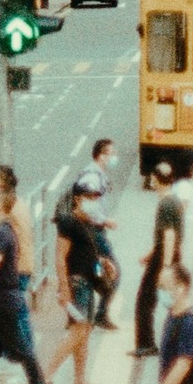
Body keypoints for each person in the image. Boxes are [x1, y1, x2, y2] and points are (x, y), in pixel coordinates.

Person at [0, 184, 51, 384]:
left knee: (20, 345)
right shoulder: (2, 229)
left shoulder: (1, 232)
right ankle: (32, 379)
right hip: (4, 294)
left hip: (4, 294)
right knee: (3, 340)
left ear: (0, 206)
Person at [45, 181, 102, 384]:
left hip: (87, 282)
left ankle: (80, 380)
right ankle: (46, 376)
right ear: (78, 199)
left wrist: (103, 263)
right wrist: (64, 287)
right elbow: (60, 257)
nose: (94, 202)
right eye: (90, 197)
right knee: (78, 331)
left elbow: (85, 252)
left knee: (84, 333)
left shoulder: (87, 223)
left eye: (96, 197)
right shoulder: (69, 223)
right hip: (77, 284)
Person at [0, 166, 38, 379]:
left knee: (18, 318)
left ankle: (24, 362)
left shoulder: (11, 209)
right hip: (20, 265)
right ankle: (8, 357)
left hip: (18, 267)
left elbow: (13, 240)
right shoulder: (17, 204)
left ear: (0, 184)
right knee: (14, 317)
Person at [131, 162, 182, 358]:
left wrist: (165, 267)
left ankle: (146, 344)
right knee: (172, 299)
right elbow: (168, 234)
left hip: (164, 257)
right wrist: (150, 253)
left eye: (152, 177)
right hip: (164, 254)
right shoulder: (173, 200)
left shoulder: (166, 204)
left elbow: (169, 235)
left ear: (156, 180)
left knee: (145, 300)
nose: (151, 180)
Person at [75, 139, 120, 330]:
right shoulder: (91, 178)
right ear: (101, 155)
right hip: (93, 231)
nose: (114, 157)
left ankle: (89, 314)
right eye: (111, 153)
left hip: (95, 230)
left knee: (97, 269)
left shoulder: (98, 174)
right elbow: (87, 207)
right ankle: (98, 314)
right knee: (114, 272)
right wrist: (104, 221)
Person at [171, 150, 193, 275]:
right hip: (187, 231)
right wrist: (178, 242)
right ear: (191, 166)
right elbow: (180, 213)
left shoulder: (187, 184)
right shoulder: (184, 186)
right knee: (186, 268)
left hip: (189, 228)